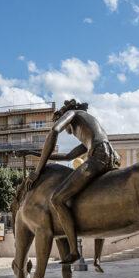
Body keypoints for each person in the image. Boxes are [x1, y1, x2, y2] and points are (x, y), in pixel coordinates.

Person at [27, 99, 120, 264]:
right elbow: (68, 156)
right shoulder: (89, 132)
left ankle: (74, 250)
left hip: (99, 156)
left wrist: (37, 171)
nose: (66, 129)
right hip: (112, 157)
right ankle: (97, 258)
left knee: (57, 199)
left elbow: (54, 131)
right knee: (98, 203)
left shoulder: (73, 114)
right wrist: (35, 154)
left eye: (61, 120)